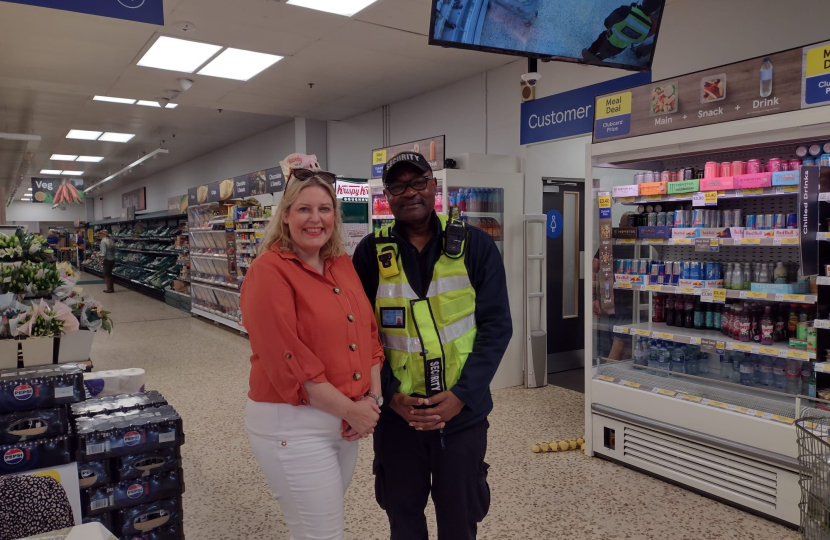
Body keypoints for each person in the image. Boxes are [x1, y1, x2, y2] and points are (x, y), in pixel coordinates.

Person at [352, 152, 512, 540]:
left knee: (459, 522)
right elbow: (359, 337)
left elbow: (496, 327)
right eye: (398, 186)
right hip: (397, 421)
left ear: (434, 186)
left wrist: (461, 395)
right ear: (387, 197)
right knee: (403, 520)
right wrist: (390, 396)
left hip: (461, 419)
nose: (410, 193)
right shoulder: (370, 254)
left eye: (418, 182)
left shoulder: (476, 246)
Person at [240, 169, 384, 540]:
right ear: (285, 215)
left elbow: (368, 334)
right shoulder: (269, 271)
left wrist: (370, 399)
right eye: (304, 209)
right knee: (323, 534)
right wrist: (352, 410)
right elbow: (290, 363)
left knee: (315, 529)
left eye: (324, 209)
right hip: (293, 423)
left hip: (344, 423)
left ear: (334, 216)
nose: (315, 219)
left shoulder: (342, 264)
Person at [582, 0, 663, 63]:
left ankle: (589, 53)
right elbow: (637, 41)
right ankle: (598, 59)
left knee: (598, 43)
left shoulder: (626, 10)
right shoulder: (648, 26)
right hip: (620, 47)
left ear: (644, 1)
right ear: (654, 11)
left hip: (608, 37)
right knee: (607, 54)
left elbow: (607, 22)